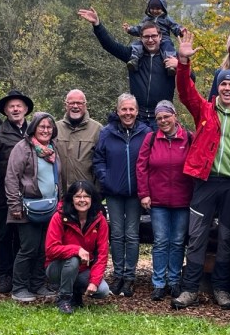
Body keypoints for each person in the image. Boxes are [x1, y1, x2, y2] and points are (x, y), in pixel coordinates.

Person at [172, 27, 230, 310]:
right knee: (196, 236)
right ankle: (190, 289)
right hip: (205, 182)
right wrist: (184, 62)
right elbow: (185, 91)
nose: (226, 89)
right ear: (218, 87)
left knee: (226, 238)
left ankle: (222, 288)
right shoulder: (205, 110)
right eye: (222, 85)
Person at [93, 93, 152, 296]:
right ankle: (118, 275)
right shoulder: (107, 132)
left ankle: (129, 277)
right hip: (114, 192)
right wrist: (105, 178)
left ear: (136, 111)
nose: (128, 113)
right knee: (117, 235)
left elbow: (151, 160)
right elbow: (98, 158)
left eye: (131, 109)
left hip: (136, 193)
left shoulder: (146, 132)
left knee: (132, 235)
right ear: (118, 111)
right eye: (124, 109)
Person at [135, 100, 194, 300]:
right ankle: (159, 283)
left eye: (166, 116)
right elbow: (141, 167)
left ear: (175, 116)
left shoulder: (188, 138)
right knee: (160, 242)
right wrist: (144, 193)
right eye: (159, 118)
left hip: (183, 200)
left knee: (178, 242)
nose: (163, 121)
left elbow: (196, 167)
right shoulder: (150, 139)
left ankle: (174, 281)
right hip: (157, 201)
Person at [78, 7, 177, 123]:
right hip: (137, 117)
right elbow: (110, 46)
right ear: (141, 38)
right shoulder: (133, 56)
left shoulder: (171, 58)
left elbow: (191, 78)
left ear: (160, 37)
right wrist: (97, 25)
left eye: (153, 36)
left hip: (161, 117)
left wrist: (180, 66)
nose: (150, 40)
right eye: (146, 37)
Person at [4, 112, 63, 302]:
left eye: (49, 127)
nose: (46, 130)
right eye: (42, 126)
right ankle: (19, 287)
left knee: (44, 249)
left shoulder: (53, 149)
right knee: (28, 248)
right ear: (34, 128)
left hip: (51, 206)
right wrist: (14, 204)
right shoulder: (23, 148)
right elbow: (11, 177)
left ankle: (37, 285)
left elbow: (58, 178)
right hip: (26, 207)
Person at [0, 89, 33, 294]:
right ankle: (5, 275)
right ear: (4, 110)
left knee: (27, 238)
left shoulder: (35, 130)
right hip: (5, 195)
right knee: (5, 236)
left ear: (26, 109)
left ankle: (25, 275)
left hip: (31, 195)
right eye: (11, 106)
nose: (15, 109)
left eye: (19, 105)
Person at [44, 180, 109, 314]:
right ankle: (64, 298)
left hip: (83, 270)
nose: (82, 200)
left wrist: (94, 282)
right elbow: (50, 250)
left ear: (92, 199)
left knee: (102, 290)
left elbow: (102, 254)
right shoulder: (59, 217)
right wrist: (76, 250)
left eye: (86, 196)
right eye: (78, 196)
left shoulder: (99, 220)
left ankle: (76, 293)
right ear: (71, 199)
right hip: (57, 268)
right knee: (73, 259)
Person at [53, 89, 103, 192]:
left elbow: (102, 163)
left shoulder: (97, 129)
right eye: (71, 103)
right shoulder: (55, 128)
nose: (75, 106)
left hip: (85, 195)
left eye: (79, 103)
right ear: (65, 105)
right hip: (60, 193)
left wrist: (97, 192)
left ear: (85, 105)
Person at [124, 0, 182, 70]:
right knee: (137, 44)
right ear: (149, 8)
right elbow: (140, 29)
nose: (155, 11)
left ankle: (170, 66)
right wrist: (130, 29)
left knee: (168, 48)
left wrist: (180, 31)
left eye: (158, 9)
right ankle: (134, 60)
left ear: (163, 8)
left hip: (164, 38)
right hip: (148, 38)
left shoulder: (166, 18)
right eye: (152, 8)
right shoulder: (147, 19)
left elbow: (174, 26)